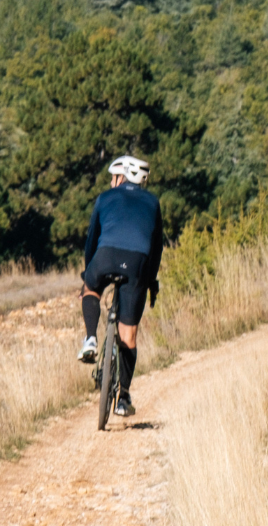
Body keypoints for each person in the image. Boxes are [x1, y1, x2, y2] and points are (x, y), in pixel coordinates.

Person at [77, 154, 165, 418]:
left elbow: (92, 239)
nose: (111, 182)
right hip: (137, 263)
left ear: (121, 177)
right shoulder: (153, 202)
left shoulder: (105, 197)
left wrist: (89, 274)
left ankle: (90, 339)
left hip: (105, 256)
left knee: (90, 290)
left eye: (113, 177)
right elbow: (156, 248)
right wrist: (151, 282)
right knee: (128, 336)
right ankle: (123, 398)